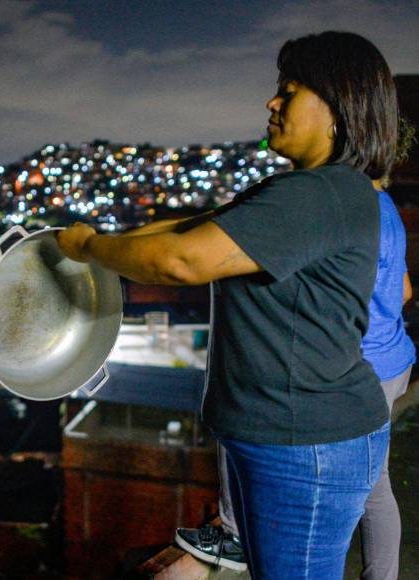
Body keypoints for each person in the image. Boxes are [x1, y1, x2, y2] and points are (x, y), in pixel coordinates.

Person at [56, 31, 399, 579]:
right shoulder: (301, 192)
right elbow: (184, 229)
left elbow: (181, 261)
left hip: (306, 446)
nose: (272, 103)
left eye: (290, 92)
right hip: (287, 439)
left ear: (339, 109)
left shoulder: (317, 195)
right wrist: (105, 244)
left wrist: (89, 249)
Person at [175, 181, 415, 578]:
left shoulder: (340, 211)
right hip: (393, 358)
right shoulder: (384, 207)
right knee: (376, 485)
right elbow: (402, 290)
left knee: (369, 487)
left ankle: (234, 536)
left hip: (359, 365)